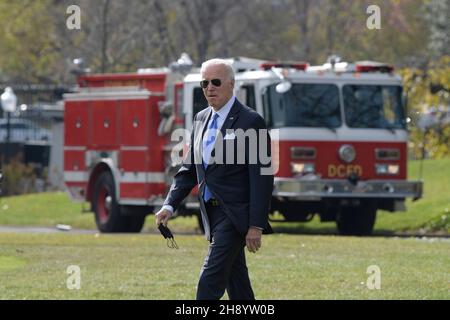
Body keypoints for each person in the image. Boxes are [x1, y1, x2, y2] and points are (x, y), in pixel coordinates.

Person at [155, 58, 274, 300]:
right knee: (237, 283)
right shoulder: (200, 119)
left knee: (209, 282)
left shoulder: (251, 121)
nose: (210, 88)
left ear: (231, 84)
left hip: (235, 215)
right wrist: (169, 204)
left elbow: (261, 178)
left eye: (216, 82)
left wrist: (256, 224)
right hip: (212, 213)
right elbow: (189, 170)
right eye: (205, 83)